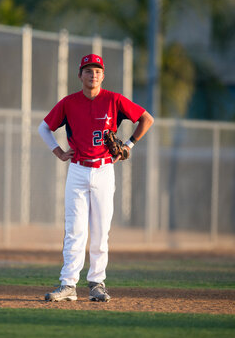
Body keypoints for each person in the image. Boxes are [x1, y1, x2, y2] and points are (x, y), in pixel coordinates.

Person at [38, 53, 154, 302]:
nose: (94, 75)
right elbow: (43, 127)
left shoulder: (114, 100)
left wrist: (129, 145)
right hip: (78, 169)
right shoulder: (69, 103)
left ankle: (96, 284)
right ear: (80, 75)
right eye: (89, 71)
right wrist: (57, 151)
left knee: (101, 230)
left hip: (103, 170)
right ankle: (68, 285)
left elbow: (146, 119)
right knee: (75, 230)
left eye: (98, 71)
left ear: (103, 75)